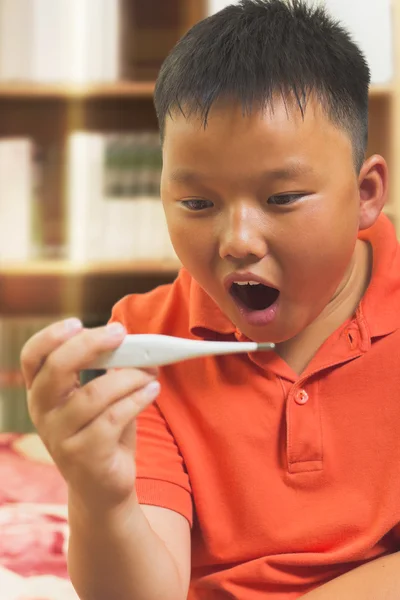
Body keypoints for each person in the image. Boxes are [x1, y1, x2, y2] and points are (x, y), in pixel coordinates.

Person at [20, 1, 400, 598]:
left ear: (365, 194)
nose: (238, 242)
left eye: (284, 198)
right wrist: (103, 498)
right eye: (198, 205)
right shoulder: (138, 342)